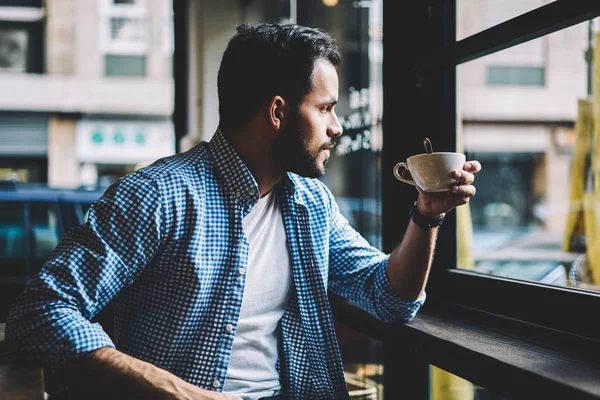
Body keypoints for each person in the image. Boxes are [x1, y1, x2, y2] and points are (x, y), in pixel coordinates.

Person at [5, 23, 481, 400]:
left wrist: (427, 214)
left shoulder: (309, 204)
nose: (337, 128)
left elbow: (389, 297)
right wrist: (179, 393)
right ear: (278, 112)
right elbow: (40, 313)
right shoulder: (159, 195)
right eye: (326, 109)